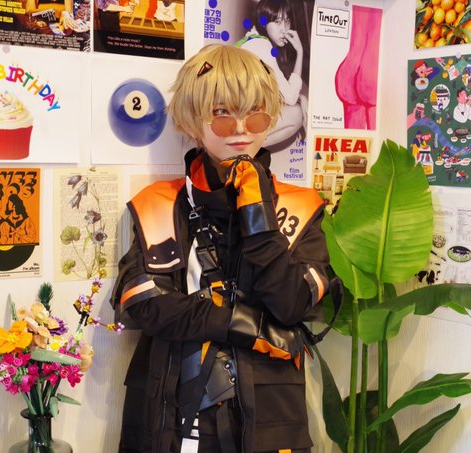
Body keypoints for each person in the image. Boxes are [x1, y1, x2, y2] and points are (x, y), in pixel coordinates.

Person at [112, 44, 336, 453]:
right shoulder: (156, 203)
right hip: (167, 415)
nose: (241, 129)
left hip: (269, 418)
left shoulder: (301, 207)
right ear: (192, 122)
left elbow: (292, 305)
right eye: (222, 113)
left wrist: (259, 216)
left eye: (255, 113)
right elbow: (143, 305)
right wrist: (236, 322)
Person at [237, 0, 306, 150]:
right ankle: (239, 150)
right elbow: (290, 97)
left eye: (287, 21)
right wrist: (300, 52)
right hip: (234, 124)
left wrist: (301, 97)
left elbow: (276, 93)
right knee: (296, 114)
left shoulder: (252, 39)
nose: (284, 29)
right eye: (277, 21)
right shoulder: (261, 46)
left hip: (235, 116)